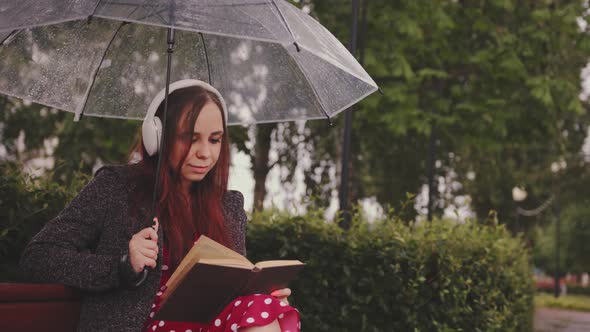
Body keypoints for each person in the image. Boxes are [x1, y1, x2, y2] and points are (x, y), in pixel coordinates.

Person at [20, 79, 301, 332]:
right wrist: (122, 266)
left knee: (262, 308)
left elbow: (231, 288)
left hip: (207, 326)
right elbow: (39, 257)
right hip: (139, 325)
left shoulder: (228, 205)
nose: (205, 153)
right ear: (157, 137)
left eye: (215, 140)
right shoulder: (116, 188)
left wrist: (260, 294)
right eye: (190, 139)